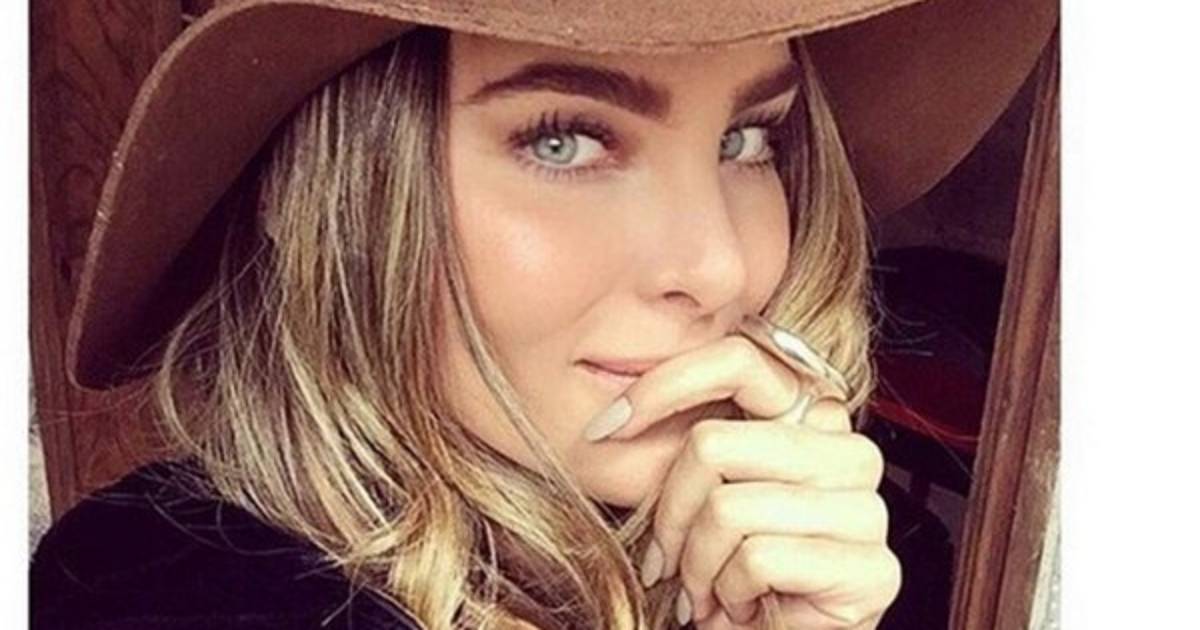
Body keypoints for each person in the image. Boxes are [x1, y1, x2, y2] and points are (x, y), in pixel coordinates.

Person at [30, 0, 1057, 628]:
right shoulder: (163, 590)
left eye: (747, 140)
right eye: (564, 141)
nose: (717, 266)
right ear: (343, 203)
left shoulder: (849, 562)